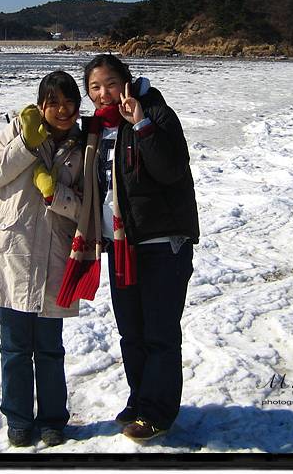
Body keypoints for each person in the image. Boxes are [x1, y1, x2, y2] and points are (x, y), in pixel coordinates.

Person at [80, 53, 199, 442]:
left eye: (110, 84)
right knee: (131, 333)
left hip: (162, 242)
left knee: (159, 333)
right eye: (95, 87)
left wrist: (142, 124)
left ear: (127, 82)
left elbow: (170, 169)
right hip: (121, 245)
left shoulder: (157, 113)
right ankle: (141, 399)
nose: (103, 93)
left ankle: (157, 413)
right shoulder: (97, 129)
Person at [0, 71, 84, 448]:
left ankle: (52, 420)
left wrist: (54, 194)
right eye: (53, 102)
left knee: (49, 348)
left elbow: (88, 207)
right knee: (14, 348)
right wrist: (26, 146)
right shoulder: (18, 129)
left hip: (53, 256)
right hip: (11, 253)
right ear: (41, 104)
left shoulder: (85, 146)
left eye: (68, 102)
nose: (61, 110)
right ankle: (17, 419)